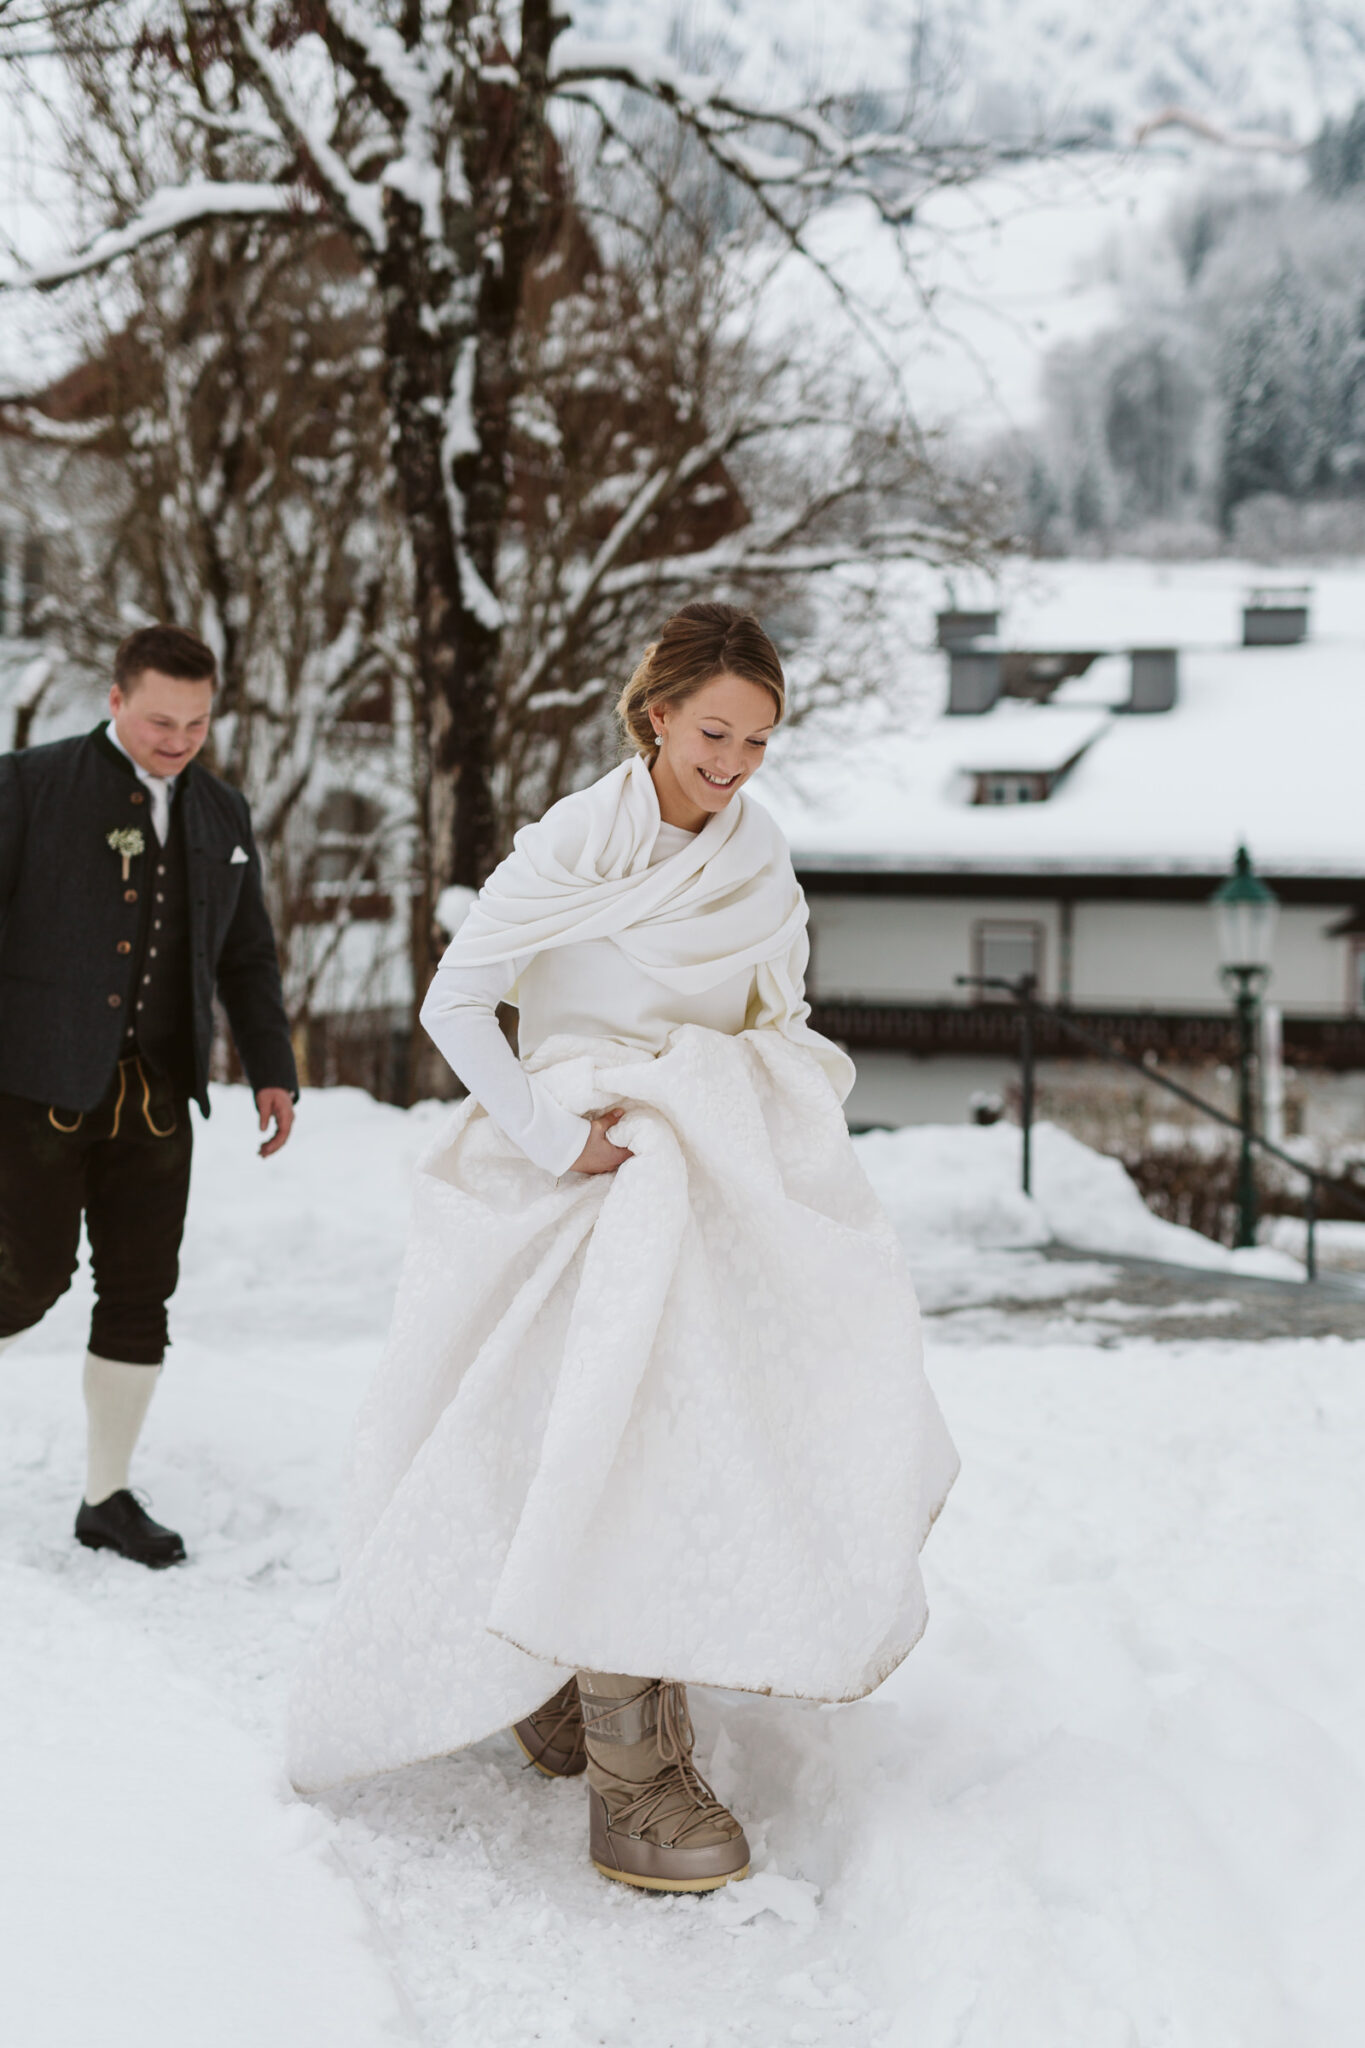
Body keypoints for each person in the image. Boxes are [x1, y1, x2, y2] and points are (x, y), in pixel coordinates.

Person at [288, 602, 957, 1893]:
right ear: (655, 715)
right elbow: (456, 1002)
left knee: (693, 1419)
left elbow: (783, 1007)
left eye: (759, 741)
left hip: (707, 1156)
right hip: (584, 1161)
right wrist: (553, 1135)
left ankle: (571, 1674)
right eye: (714, 732)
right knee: (588, 1424)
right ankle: (623, 1749)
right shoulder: (571, 847)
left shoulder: (759, 855)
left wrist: (744, 1104)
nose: (735, 763)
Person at [0, 624, 297, 1566]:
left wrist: (272, 1067)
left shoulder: (221, 812)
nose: (179, 739)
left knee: (139, 1295)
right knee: (27, 1279)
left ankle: (105, 1497)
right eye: (161, 719)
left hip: (160, 1099)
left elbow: (246, 954)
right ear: (116, 700)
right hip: (35, 1087)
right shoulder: (27, 787)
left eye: (198, 722)